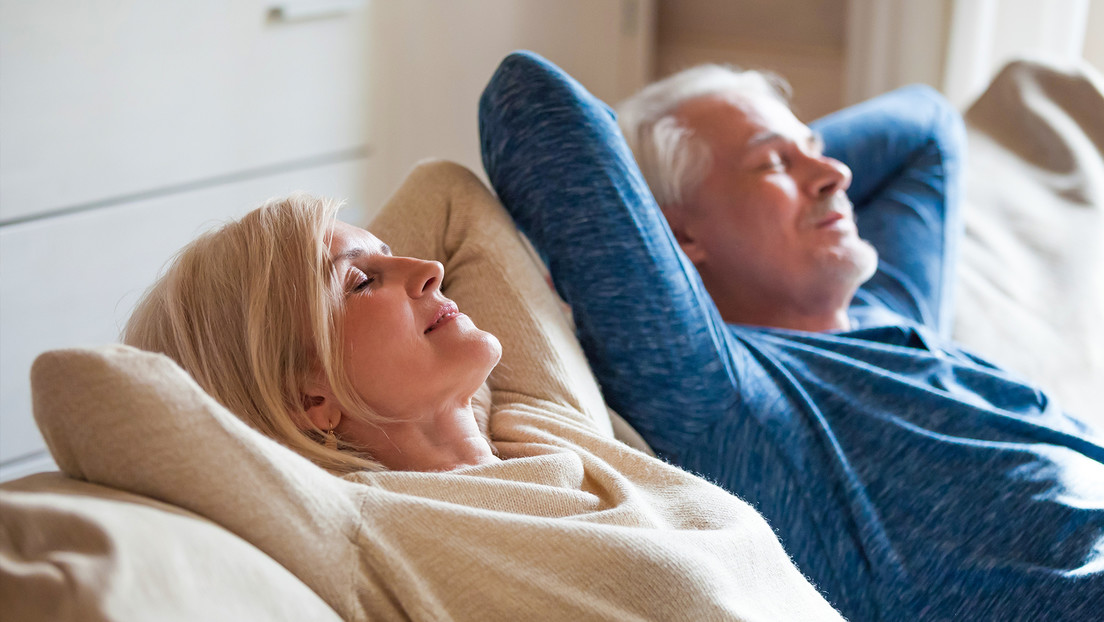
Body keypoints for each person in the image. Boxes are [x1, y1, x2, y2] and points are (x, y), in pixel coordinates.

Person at [479, 51, 1104, 621]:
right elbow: (530, 103)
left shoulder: (891, 307)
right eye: (774, 162)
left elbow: (928, 126)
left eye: (816, 146)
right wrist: (673, 191)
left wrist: (773, 151)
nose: (836, 171)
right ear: (678, 238)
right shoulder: (726, 394)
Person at [119, 162, 845, 619]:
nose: (429, 268)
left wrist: (334, 272)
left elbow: (447, 194)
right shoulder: (361, 530)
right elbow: (89, 393)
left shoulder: (542, 424)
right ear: (310, 400)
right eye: (363, 281)